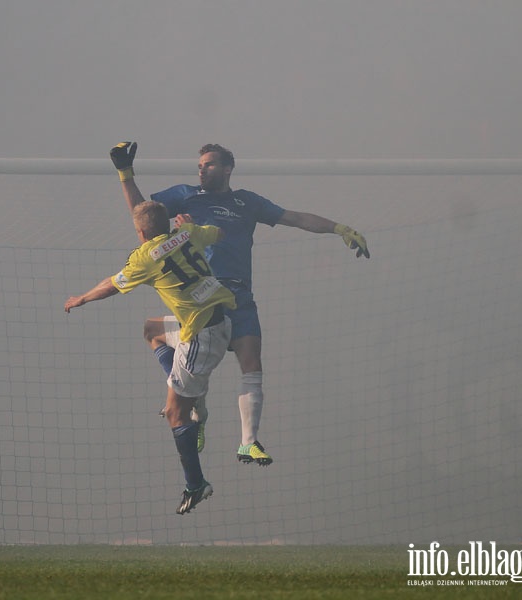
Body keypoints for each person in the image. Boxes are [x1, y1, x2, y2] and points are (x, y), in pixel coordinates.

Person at [110, 141, 370, 466]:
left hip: (240, 296)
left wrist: (338, 228)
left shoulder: (246, 201)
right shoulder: (185, 195)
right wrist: (125, 173)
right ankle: (195, 410)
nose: (202, 169)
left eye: (209, 164)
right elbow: (142, 215)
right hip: (202, 299)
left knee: (252, 363)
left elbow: (295, 217)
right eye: (200, 165)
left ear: (228, 168)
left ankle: (248, 442)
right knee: (186, 362)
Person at [64, 201, 236, 515]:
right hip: (215, 322)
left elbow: (112, 286)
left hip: (201, 337)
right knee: (152, 329)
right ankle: (189, 394)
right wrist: (190, 227)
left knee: (174, 413)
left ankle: (196, 483)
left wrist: (82, 298)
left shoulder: (144, 258)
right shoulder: (187, 233)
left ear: (141, 232)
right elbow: (219, 233)